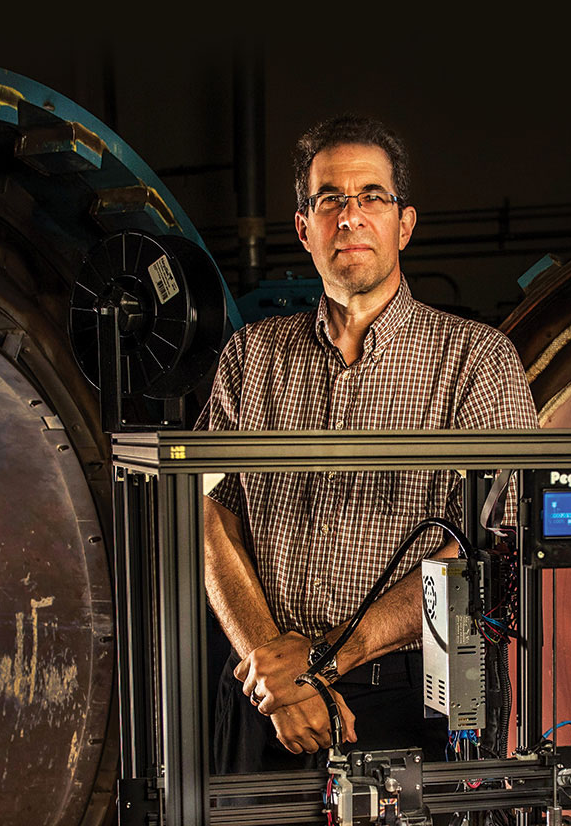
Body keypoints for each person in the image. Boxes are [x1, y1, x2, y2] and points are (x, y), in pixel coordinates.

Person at [197, 115, 539, 772]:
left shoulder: (477, 360)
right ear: (304, 228)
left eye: (372, 197)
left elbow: (486, 549)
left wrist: (325, 659)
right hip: (264, 697)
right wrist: (277, 670)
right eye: (330, 200)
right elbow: (210, 514)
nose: (350, 216)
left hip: (404, 704)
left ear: (404, 223)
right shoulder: (251, 358)